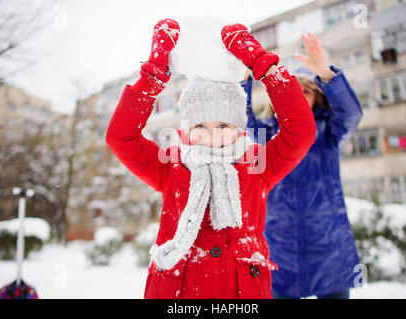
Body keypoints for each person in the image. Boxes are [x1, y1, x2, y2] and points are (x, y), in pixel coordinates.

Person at [105, 19, 316, 299]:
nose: (212, 136)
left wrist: (263, 65)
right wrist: (154, 75)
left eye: (223, 126)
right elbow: (121, 137)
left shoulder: (257, 165)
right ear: (186, 129)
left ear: (239, 128)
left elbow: (301, 132)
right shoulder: (170, 165)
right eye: (200, 126)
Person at [243, 33, 363, 299]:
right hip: (278, 250)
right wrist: (243, 79)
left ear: (316, 98)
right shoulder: (265, 135)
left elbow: (351, 114)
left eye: (306, 90)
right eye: (291, 91)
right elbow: (242, 120)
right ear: (276, 100)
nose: (299, 96)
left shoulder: (329, 130)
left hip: (330, 248)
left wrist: (324, 72)